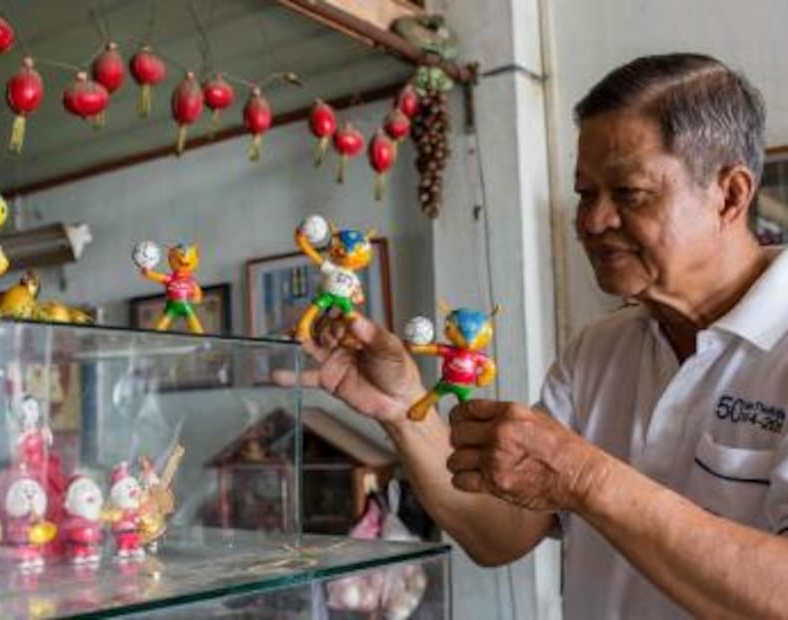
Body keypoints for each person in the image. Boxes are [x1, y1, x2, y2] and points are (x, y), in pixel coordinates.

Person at [296, 53, 787, 618]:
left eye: (629, 193)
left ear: (729, 194)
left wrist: (584, 477)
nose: (593, 221)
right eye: (584, 193)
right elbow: (500, 533)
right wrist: (403, 404)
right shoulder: (598, 351)